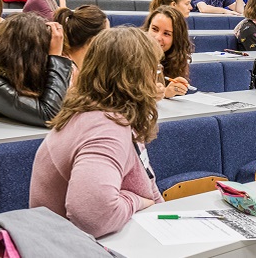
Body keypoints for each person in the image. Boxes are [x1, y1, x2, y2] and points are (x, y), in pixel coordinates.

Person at [29, 27, 164, 238]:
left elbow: (146, 180)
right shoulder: (105, 127)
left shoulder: (112, 114)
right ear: (136, 75)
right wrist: (136, 201)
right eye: (153, 69)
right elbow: (92, 216)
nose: (156, 79)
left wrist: (160, 209)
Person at [143, 6, 192, 99]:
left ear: (176, 39)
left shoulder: (175, 61)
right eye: (154, 29)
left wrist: (166, 93)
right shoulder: (130, 55)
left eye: (166, 34)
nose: (157, 37)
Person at [54, 5, 108, 81]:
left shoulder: (80, 66)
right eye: (106, 35)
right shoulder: (69, 73)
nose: (109, 41)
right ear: (94, 40)